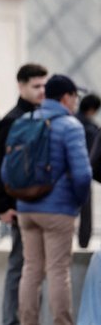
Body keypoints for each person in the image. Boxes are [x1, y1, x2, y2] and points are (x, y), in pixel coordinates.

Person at [9, 74, 91, 325]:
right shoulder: (70, 125)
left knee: (31, 269)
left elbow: (7, 167)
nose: (76, 102)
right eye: (75, 97)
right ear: (66, 97)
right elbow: (83, 174)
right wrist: (76, 203)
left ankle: (28, 322)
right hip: (58, 210)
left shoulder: (24, 120)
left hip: (26, 207)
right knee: (58, 271)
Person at [0, 62, 48, 325]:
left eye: (44, 85)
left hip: (40, 205)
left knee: (36, 268)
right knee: (19, 267)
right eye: (36, 86)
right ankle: (10, 320)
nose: (41, 91)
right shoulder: (11, 120)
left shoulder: (43, 115)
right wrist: (2, 206)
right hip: (16, 206)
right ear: (21, 86)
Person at [75, 94, 99, 248]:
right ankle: (83, 241)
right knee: (85, 209)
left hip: (65, 174)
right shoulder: (92, 129)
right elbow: (95, 157)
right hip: (84, 173)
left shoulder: (69, 121)